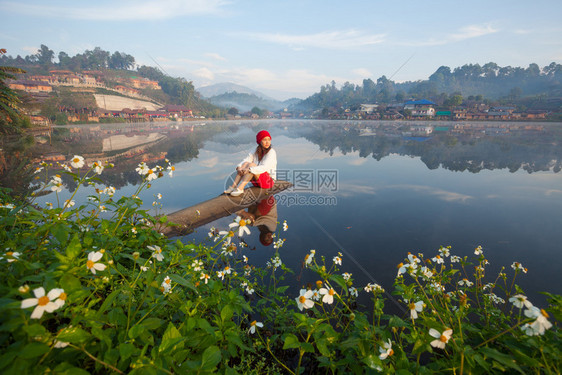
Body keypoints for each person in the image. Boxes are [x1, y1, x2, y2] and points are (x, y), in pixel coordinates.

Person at [224, 130, 277, 197]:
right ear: (259, 141)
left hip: (268, 182)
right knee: (246, 163)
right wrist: (239, 167)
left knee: (252, 166)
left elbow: (264, 167)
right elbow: (247, 159)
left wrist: (249, 169)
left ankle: (240, 188)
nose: (267, 142)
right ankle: (233, 187)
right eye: (264, 140)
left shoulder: (271, 152)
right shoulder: (256, 150)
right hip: (257, 181)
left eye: (269, 140)